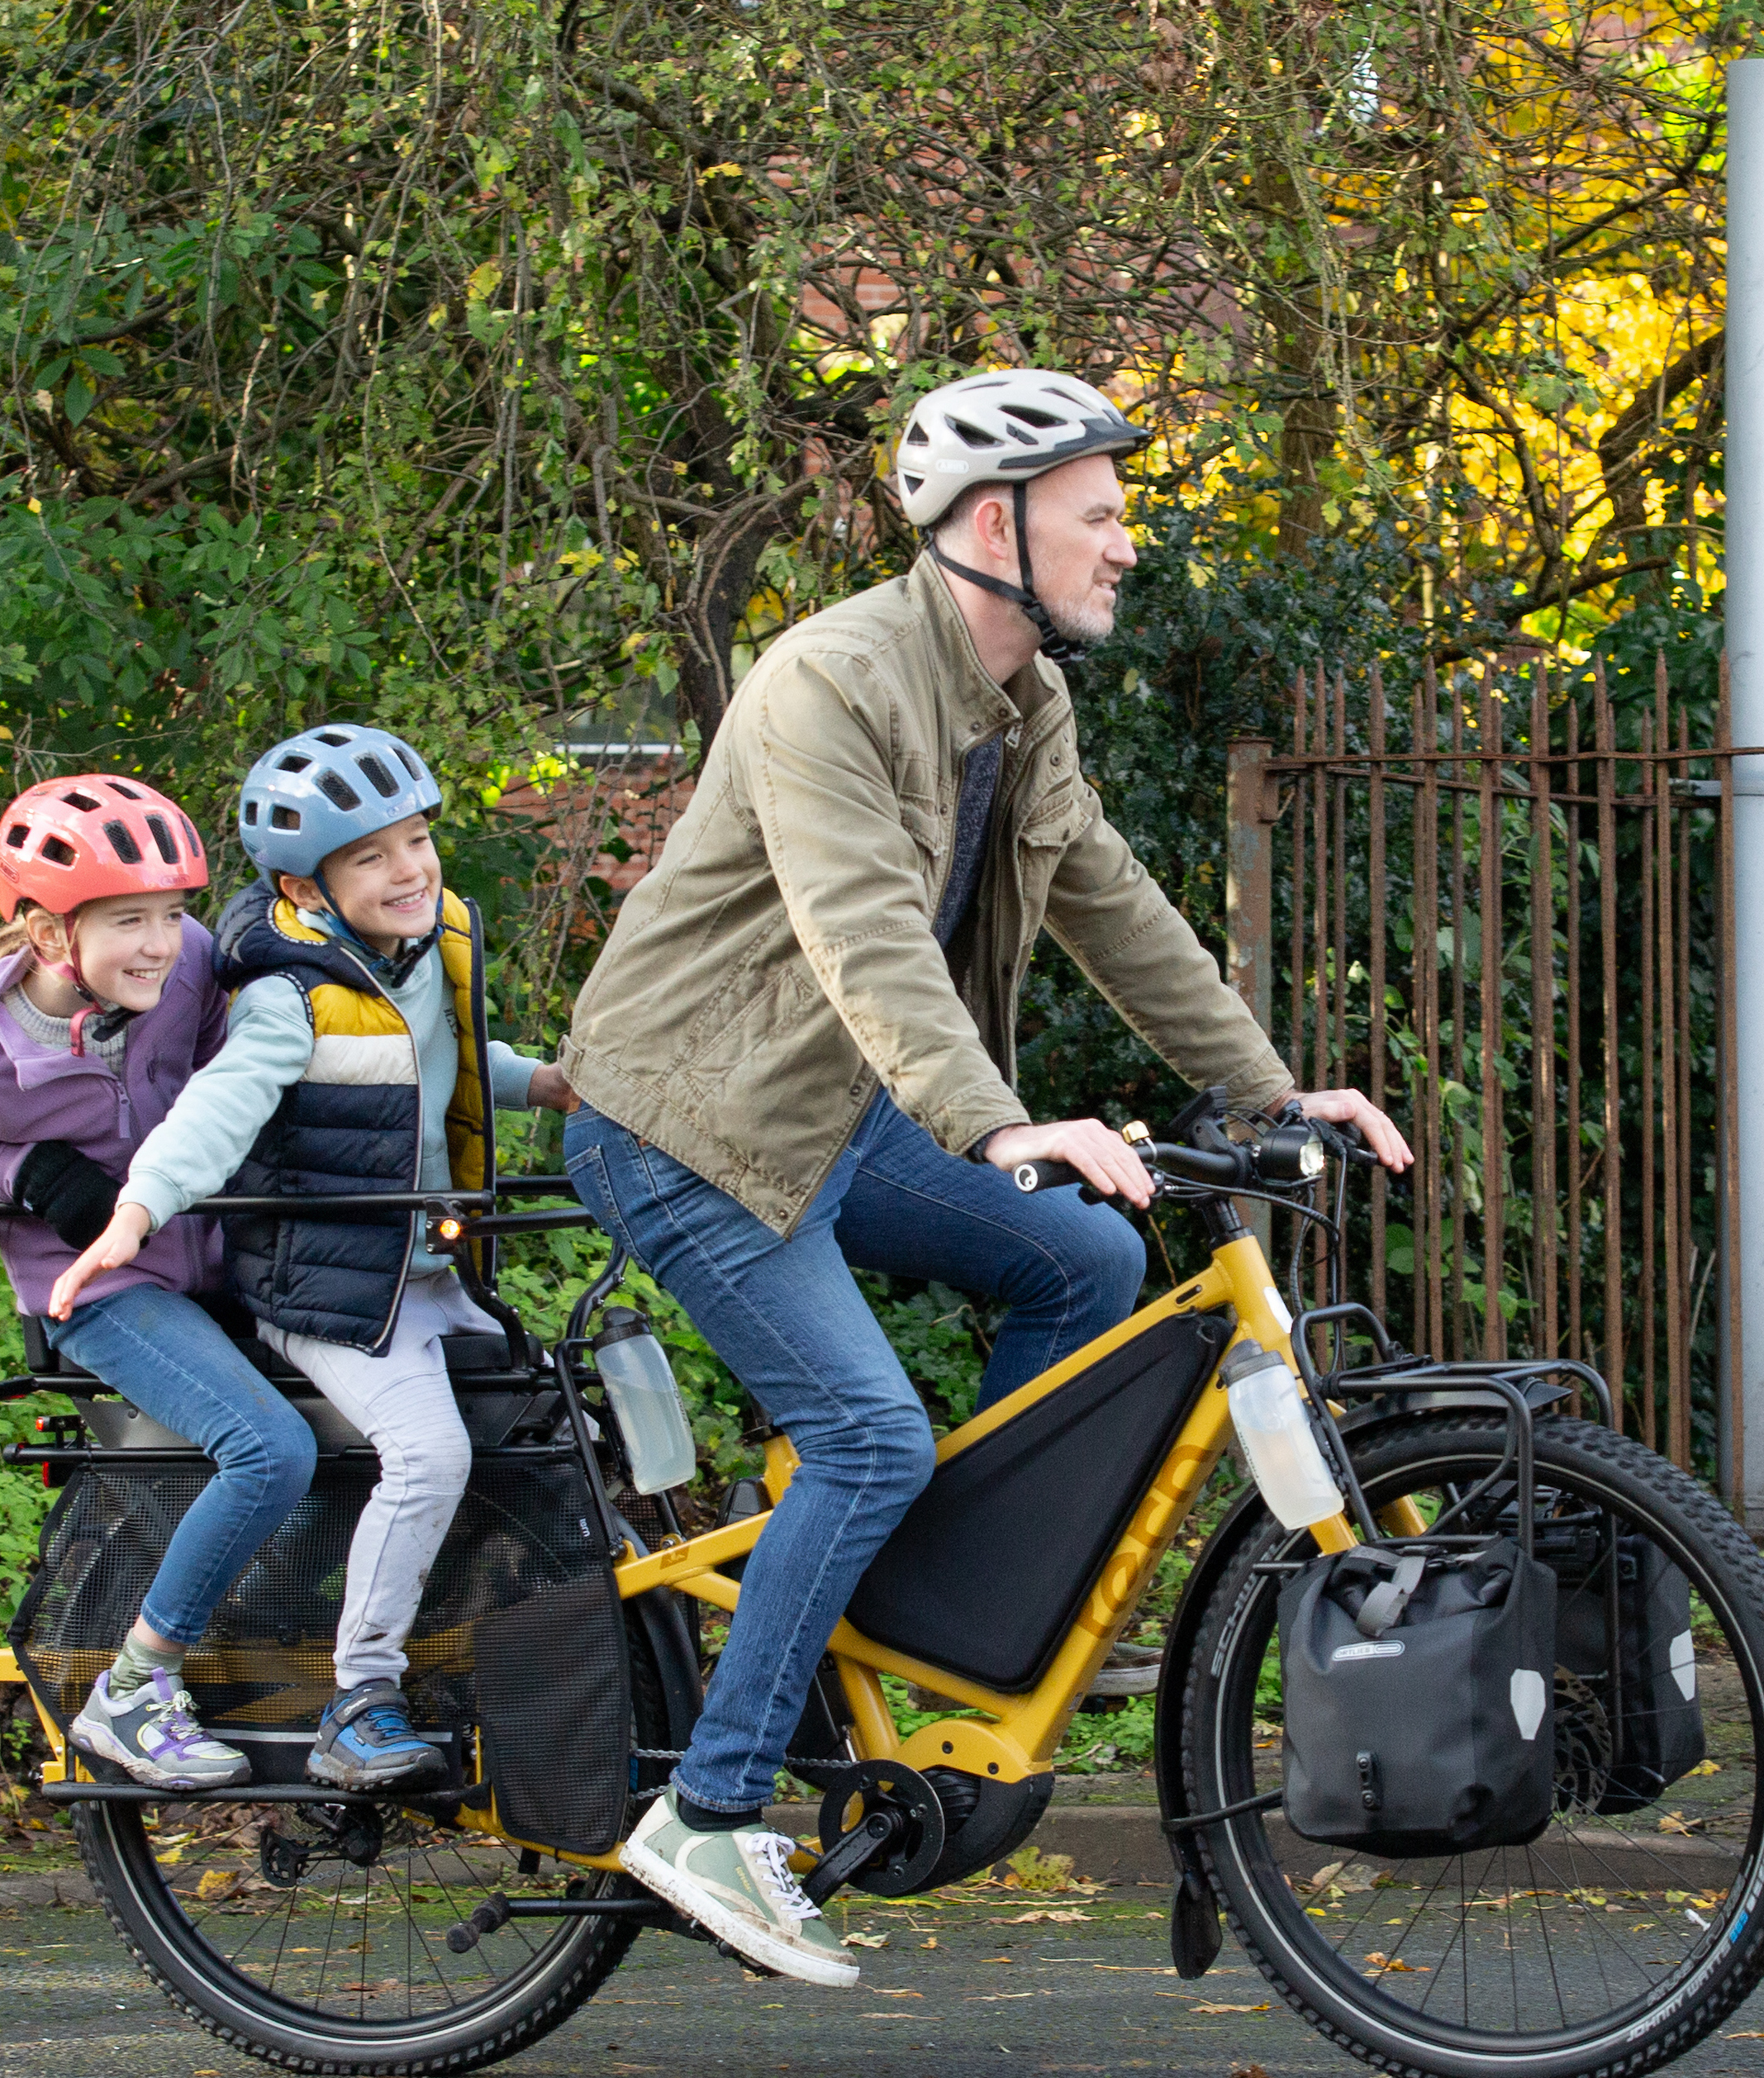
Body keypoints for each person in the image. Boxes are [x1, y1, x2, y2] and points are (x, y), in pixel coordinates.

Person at [558, 369, 1416, 1985]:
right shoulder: (829, 679)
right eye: (1101, 516)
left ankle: (883, 1597)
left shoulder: (1025, 710)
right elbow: (860, 924)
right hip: (680, 1117)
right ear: (991, 524)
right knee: (870, 1429)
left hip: (828, 1108)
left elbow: (1114, 902)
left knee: (1084, 1267)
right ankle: (712, 1808)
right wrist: (993, 1122)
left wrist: (1270, 1086)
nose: (1126, 547)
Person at [55, 725, 582, 1791]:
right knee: (430, 1454)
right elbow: (217, 1110)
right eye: (371, 856)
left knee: (547, 1417)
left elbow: (446, 1061)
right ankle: (362, 1696)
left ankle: (490, 1645)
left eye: (418, 841)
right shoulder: (285, 997)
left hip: (422, 1277)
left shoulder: (417, 957)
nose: (409, 870)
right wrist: (136, 1211)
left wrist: (547, 1083)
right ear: (307, 886)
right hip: (334, 1295)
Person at [0, 773, 314, 1795]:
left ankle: (289, 1648)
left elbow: (240, 1072)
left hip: (216, 1256)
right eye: (130, 921)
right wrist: (28, 1176)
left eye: (171, 914)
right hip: (100, 1296)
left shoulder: (190, 970)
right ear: (46, 938)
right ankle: (135, 1687)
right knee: (268, 1448)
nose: (163, 944)